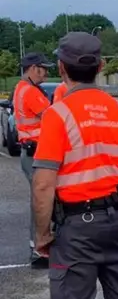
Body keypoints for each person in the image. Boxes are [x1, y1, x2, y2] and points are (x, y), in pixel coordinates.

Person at [30, 32, 118, 299]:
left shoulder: (57, 114)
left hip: (76, 228)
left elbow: (43, 185)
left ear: (60, 67)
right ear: (101, 66)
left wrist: (43, 233)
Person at [13, 52, 54, 268]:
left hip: (30, 153)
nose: (46, 72)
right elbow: (53, 119)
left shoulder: (21, 88)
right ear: (32, 68)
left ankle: (39, 247)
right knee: (42, 203)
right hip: (36, 154)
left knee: (40, 201)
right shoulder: (30, 92)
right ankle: (40, 251)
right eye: (43, 68)